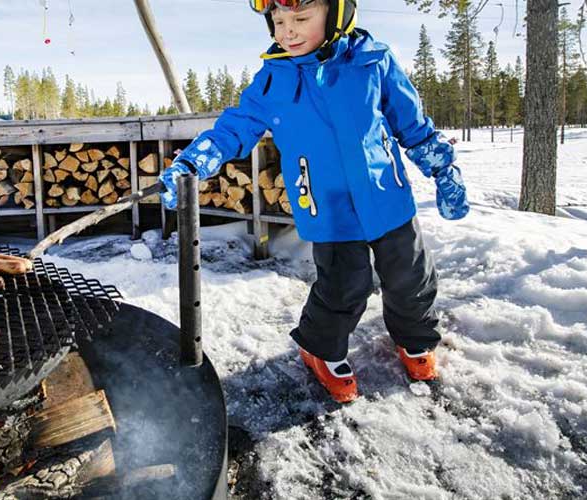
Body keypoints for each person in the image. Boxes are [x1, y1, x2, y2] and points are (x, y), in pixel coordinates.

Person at [159, 0, 469, 403]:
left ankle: (416, 338)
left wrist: (443, 170)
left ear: (337, 15)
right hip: (326, 206)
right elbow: (234, 128)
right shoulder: (273, 81)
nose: (287, 31)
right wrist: (196, 160)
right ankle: (319, 347)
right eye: (278, 21)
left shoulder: (373, 61)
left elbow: (411, 122)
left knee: (410, 276)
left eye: (301, 19)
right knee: (344, 285)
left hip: (385, 195)